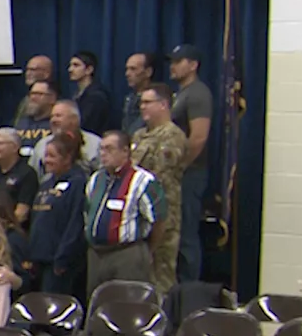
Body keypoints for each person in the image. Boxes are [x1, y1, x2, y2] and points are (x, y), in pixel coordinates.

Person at [85, 131, 167, 295]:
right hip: (96, 254)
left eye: (109, 149)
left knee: (127, 306)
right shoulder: (96, 179)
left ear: (125, 152)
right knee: (97, 305)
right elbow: (87, 212)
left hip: (127, 254)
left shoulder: (143, 181)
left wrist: (146, 250)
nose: (103, 153)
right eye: (101, 149)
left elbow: (160, 220)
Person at [130, 83, 188, 295]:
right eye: (141, 102)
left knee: (161, 274)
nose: (142, 107)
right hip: (138, 215)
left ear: (163, 105)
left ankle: (165, 321)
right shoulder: (138, 136)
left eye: (147, 102)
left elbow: (159, 175)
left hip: (163, 216)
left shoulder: (172, 136)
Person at [167, 43, 213, 283]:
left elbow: (199, 137)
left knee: (186, 234)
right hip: (178, 173)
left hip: (190, 173)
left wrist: (180, 166)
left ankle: (189, 288)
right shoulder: (181, 93)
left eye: (178, 61)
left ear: (193, 65)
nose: (173, 67)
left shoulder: (198, 93)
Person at [28, 133, 88, 296]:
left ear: (67, 157)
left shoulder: (78, 182)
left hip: (60, 263)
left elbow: (75, 224)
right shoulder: (46, 183)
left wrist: (63, 257)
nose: (47, 160)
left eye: (52, 156)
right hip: (40, 258)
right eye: (46, 155)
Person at [0, 128, 39, 226]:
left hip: (11, 233)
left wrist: (0, 232)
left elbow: (22, 212)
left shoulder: (27, 173)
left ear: (14, 147)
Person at [29, 99, 102, 179]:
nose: (53, 120)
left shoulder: (95, 144)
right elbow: (33, 175)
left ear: (74, 120)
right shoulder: (42, 144)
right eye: (52, 116)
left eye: (58, 116)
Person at [67, 51, 112, 135]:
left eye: (76, 65)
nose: (70, 69)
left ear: (89, 70)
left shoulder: (97, 97)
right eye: (70, 65)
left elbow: (87, 125)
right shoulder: (77, 95)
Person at [15, 79, 57, 157]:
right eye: (31, 94)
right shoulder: (21, 122)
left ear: (52, 98)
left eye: (38, 94)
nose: (33, 98)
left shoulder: (56, 123)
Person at [122, 51, 159, 134]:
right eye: (127, 69)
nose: (127, 74)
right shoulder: (129, 98)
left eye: (133, 69)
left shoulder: (158, 97)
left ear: (148, 72)